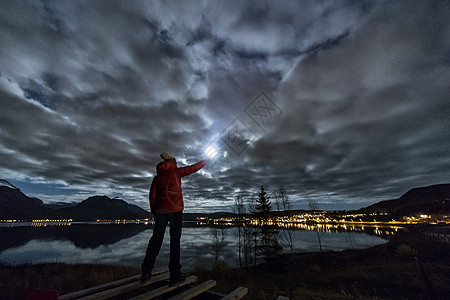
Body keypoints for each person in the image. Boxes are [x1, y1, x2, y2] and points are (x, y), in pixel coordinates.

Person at [141, 152, 207, 285]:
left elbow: (152, 196)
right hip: (176, 210)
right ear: (172, 163)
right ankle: (174, 276)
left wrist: (155, 211)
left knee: (156, 240)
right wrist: (205, 161)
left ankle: (146, 272)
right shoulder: (176, 172)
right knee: (175, 242)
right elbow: (192, 168)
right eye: (175, 163)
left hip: (160, 211)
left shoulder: (157, 178)